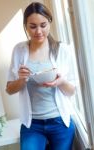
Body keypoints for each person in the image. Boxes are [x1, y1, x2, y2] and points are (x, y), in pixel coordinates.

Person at [6, 2, 76, 150]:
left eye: (43, 25)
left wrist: (61, 82)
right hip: (32, 125)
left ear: (49, 22)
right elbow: (9, 89)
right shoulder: (19, 50)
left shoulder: (62, 50)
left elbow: (71, 91)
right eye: (33, 26)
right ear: (25, 25)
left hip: (60, 123)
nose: (38, 31)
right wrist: (21, 79)